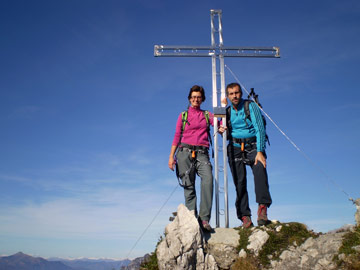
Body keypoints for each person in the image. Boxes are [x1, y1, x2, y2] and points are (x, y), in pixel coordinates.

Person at [219, 82, 272, 228]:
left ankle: (262, 208)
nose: (234, 96)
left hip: (253, 145)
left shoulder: (250, 106)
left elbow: (259, 128)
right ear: (228, 96)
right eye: (231, 94)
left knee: (260, 170)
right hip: (235, 147)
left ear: (240, 93)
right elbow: (220, 126)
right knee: (239, 181)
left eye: (237, 93)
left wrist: (260, 151)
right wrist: (221, 128)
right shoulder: (228, 111)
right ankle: (245, 216)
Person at [168, 85, 214, 231]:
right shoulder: (183, 115)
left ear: (202, 99)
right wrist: (171, 157)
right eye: (193, 97)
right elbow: (177, 136)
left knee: (208, 180)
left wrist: (220, 126)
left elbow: (219, 123)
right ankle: (192, 218)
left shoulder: (207, 115)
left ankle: (204, 219)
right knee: (189, 186)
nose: (196, 99)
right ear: (189, 98)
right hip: (184, 152)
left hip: (202, 153)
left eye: (198, 97)